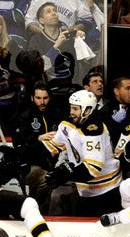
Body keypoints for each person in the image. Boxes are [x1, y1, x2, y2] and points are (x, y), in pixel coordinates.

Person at [42, 89, 122, 217]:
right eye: (71, 108)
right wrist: (21, 153)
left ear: (87, 110)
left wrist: (64, 175)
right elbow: (51, 147)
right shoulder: (67, 125)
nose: (71, 112)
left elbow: (93, 169)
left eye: (75, 109)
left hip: (107, 190)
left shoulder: (94, 129)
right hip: (85, 190)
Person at [12, 81, 64, 213]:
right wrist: (37, 138)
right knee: (46, 179)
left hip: (55, 163)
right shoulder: (24, 116)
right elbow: (17, 143)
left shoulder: (57, 114)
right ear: (32, 98)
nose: (42, 102)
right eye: (38, 98)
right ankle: (33, 212)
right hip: (31, 165)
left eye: (45, 98)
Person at [27, 2, 83, 113]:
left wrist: (81, 40)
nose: (54, 13)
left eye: (55, 11)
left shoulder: (69, 37)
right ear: (41, 20)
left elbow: (81, 64)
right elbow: (39, 67)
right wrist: (56, 46)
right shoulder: (35, 41)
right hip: (48, 93)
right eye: (48, 12)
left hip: (70, 91)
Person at [97, 76, 130, 148]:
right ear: (116, 91)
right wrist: (113, 122)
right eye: (127, 88)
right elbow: (100, 136)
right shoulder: (105, 110)